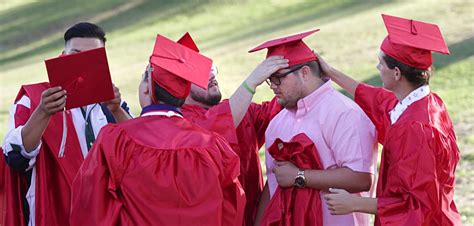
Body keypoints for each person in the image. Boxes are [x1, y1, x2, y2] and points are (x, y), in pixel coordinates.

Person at [70, 34, 246, 226]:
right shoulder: (213, 145)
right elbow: (233, 208)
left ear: (147, 89)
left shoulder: (115, 139)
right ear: (184, 93)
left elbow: (90, 207)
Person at [322, 14, 462, 226]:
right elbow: (376, 99)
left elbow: (416, 204)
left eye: (381, 64)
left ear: (396, 73)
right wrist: (330, 72)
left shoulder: (416, 129)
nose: (377, 68)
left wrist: (354, 203)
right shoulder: (425, 102)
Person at [0, 22, 131, 226]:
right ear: (62, 55)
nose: (82, 62)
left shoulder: (113, 103)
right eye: (75, 54)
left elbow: (139, 155)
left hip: (108, 215)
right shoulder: (33, 100)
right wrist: (43, 112)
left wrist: (117, 110)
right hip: (55, 214)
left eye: (92, 56)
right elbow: (15, 158)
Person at [252, 29, 378, 226]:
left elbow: (361, 178)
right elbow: (275, 182)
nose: (273, 85)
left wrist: (299, 177)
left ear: (304, 72)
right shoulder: (277, 123)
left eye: (279, 77)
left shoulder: (344, 113)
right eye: (270, 79)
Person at [176, 33, 284, 226]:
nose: (210, 75)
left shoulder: (238, 110)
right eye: (199, 74)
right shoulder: (180, 124)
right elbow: (211, 129)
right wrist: (251, 82)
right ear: (180, 85)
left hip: (255, 216)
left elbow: (275, 112)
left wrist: (291, 72)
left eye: (211, 69)